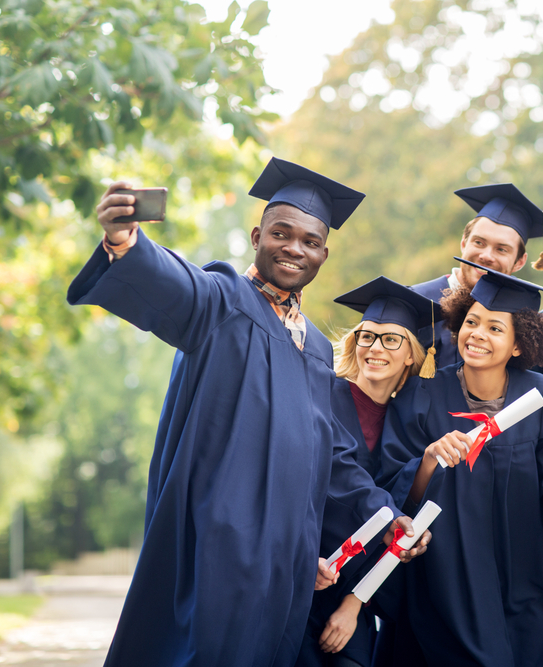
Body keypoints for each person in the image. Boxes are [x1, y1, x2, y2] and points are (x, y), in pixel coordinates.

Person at [68, 158, 427, 667]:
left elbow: (336, 460)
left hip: (287, 555)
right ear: (258, 235)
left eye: (309, 241)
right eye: (281, 233)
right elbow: (179, 285)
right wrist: (124, 242)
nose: (294, 248)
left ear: (324, 252)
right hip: (221, 540)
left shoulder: (319, 350)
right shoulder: (224, 301)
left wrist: (385, 516)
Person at [375, 260, 543, 667]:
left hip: (524, 585)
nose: (477, 335)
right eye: (472, 321)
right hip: (442, 582)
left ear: (520, 343)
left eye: (495, 328)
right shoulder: (421, 396)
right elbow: (392, 492)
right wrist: (430, 459)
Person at [296, 277, 440, 667]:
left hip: (353, 594)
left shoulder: (408, 425)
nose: (375, 348)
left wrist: (354, 600)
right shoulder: (320, 394)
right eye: (367, 337)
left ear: (411, 354)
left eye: (390, 339)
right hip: (297, 575)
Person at [412, 184, 543, 369]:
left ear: (520, 262)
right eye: (479, 242)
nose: (486, 256)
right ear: (463, 243)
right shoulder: (416, 301)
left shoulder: (520, 322)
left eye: (501, 249)